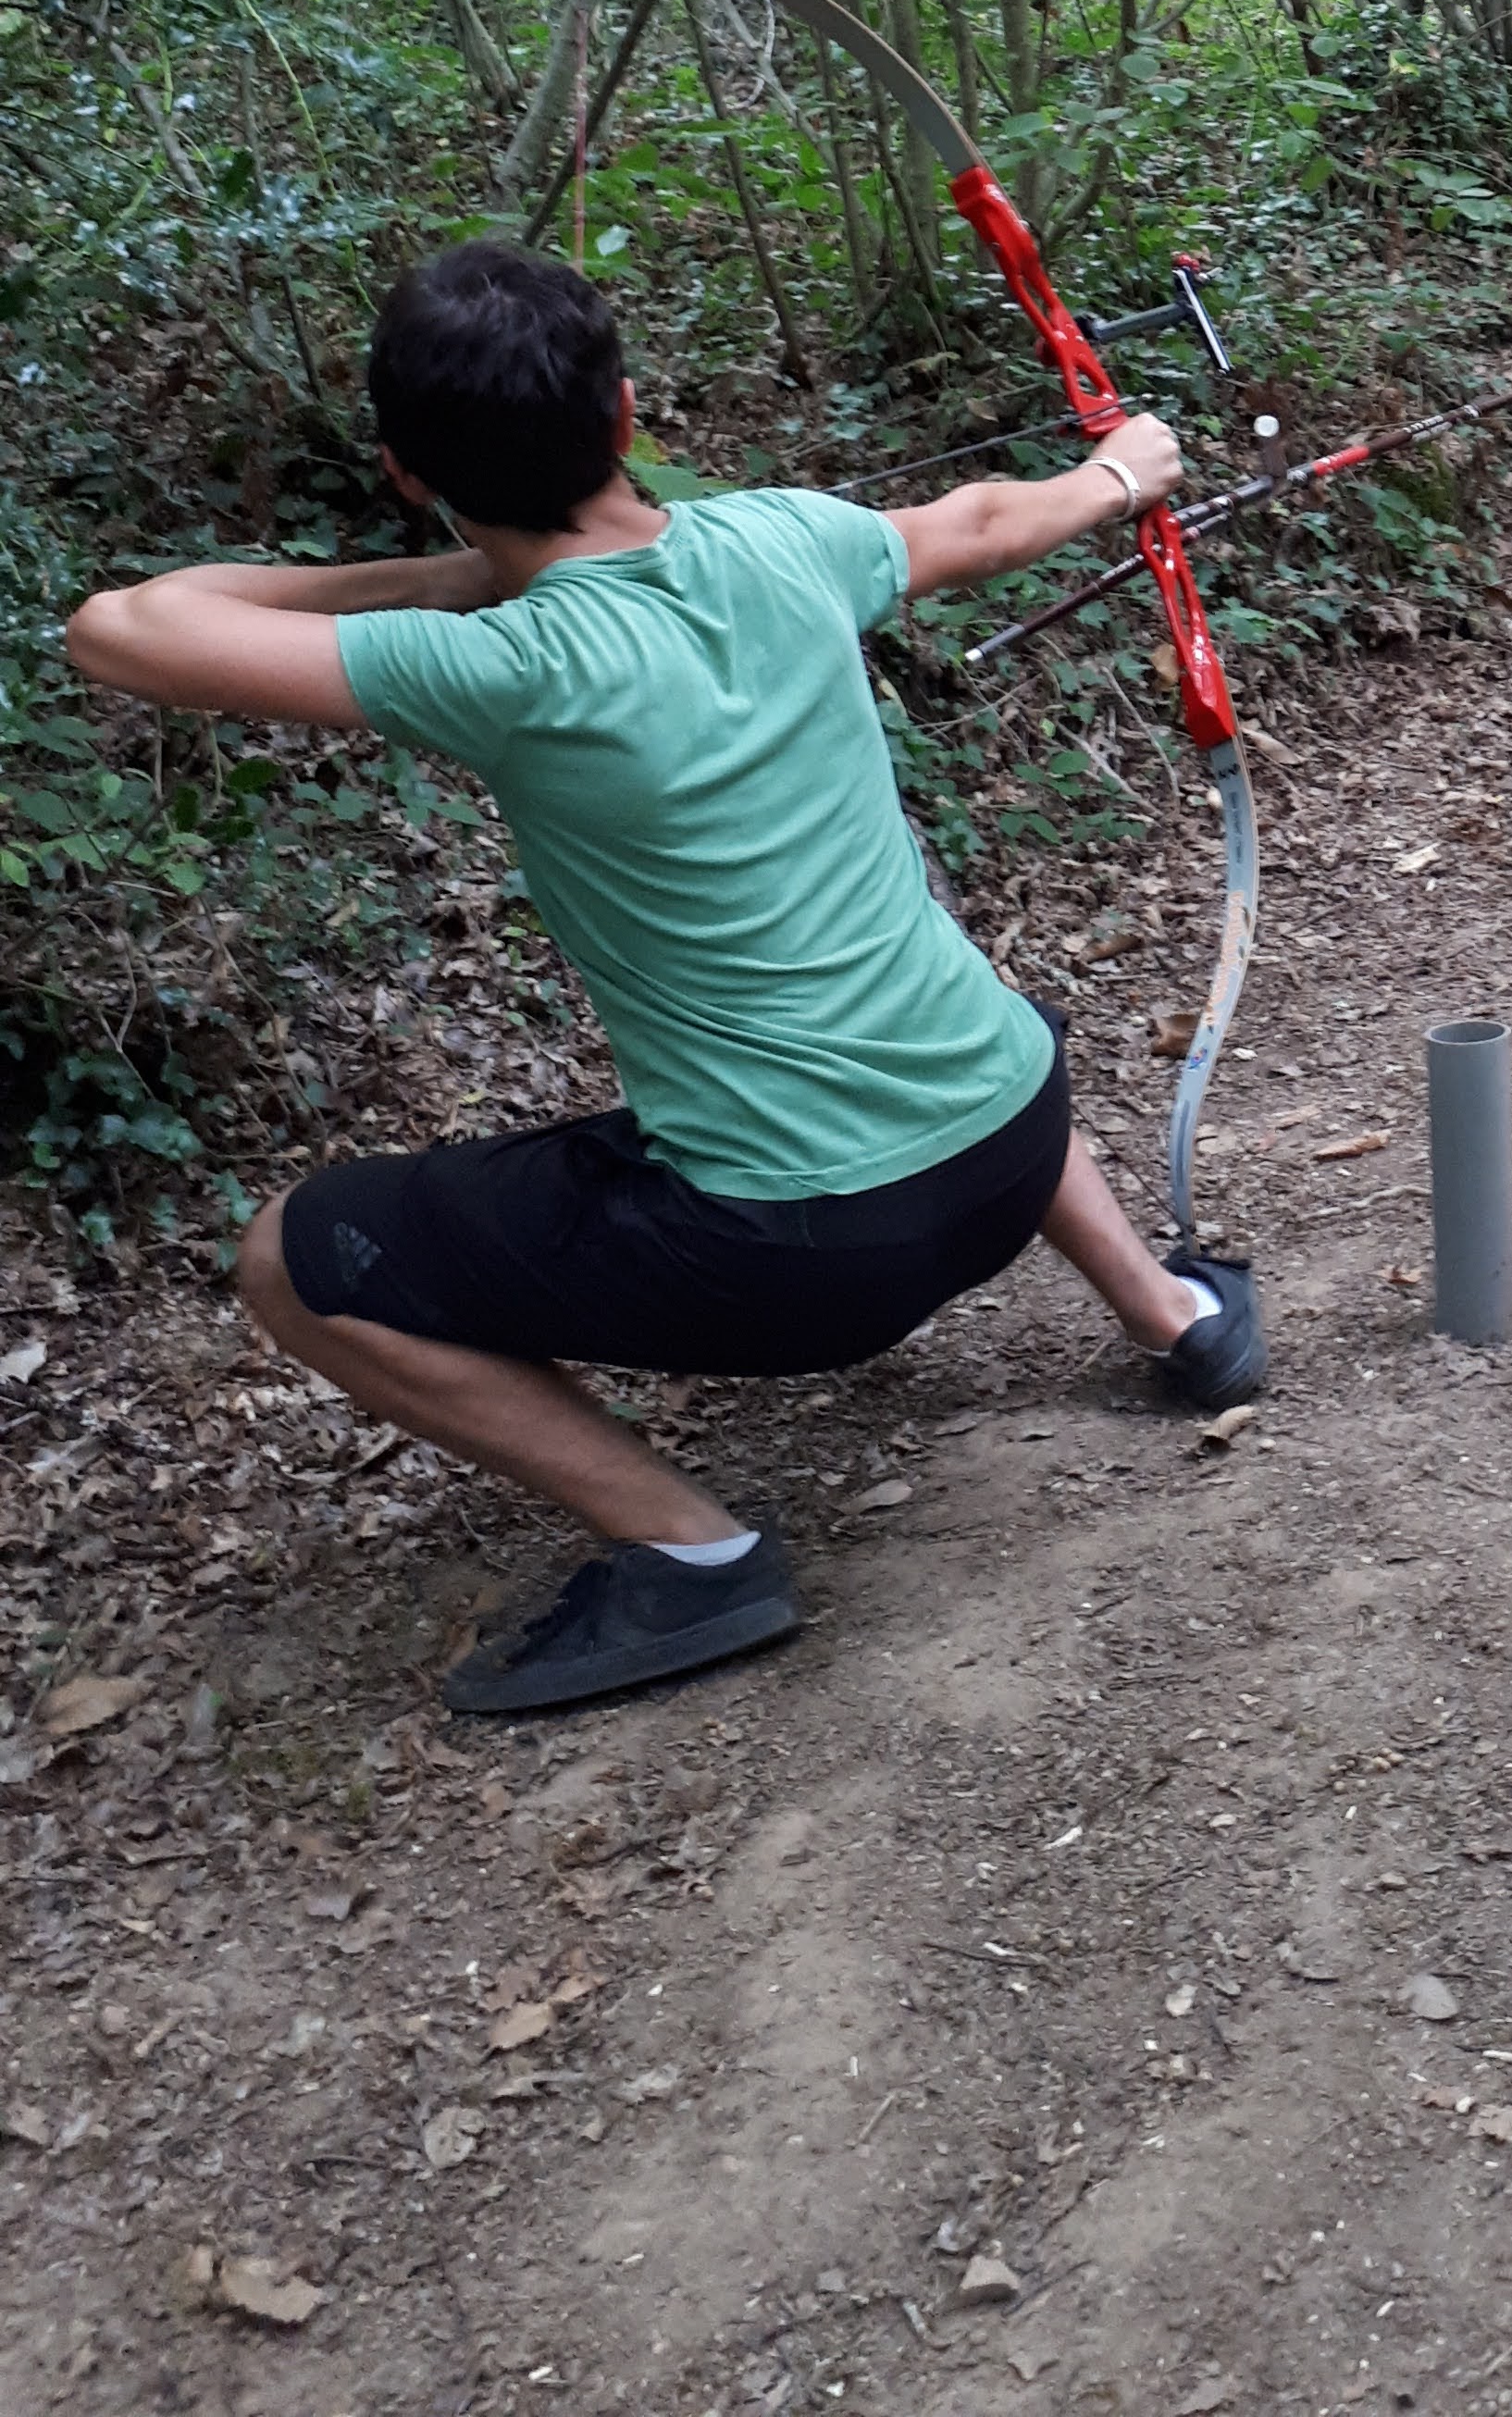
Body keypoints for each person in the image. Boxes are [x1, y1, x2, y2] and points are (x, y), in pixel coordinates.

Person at [62, 239, 1262, 1716]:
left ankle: (694, 1555)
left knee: (292, 1260)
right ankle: (1174, 1314)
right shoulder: (786, 538)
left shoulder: (499, 665)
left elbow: (120, 627)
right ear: (626, 412)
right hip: (1013, 1137)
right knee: (909, 968)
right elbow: (983, 518)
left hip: (815, 1258)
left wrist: (445, 571)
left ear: (405, 471)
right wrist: (1122, 472)